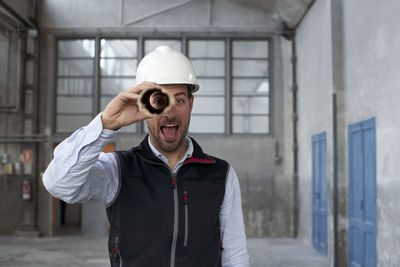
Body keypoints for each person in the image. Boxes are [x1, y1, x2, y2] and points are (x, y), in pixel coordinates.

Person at [43, 46, 249, 267]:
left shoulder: (221, 174)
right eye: (160, 102)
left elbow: (235, 252)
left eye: (179, 101)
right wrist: (105, 124)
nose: (169, 113)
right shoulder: (118, 169)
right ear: (143, 106)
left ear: (191, 104)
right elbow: (58, 183)